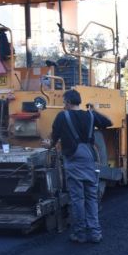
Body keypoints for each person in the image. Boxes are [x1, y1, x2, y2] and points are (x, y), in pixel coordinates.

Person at [47, 89, 112, 243]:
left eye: (64, 102)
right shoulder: (90, 115)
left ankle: (80, 233)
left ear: (68, 102)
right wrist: (95, 110)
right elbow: (108, 122)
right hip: (89, 158)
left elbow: (54, 138)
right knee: (91, 197)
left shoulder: (62, 116)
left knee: (77, 198)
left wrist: (48, 144)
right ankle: (95, 233)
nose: (63, 105)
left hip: (74, 159)